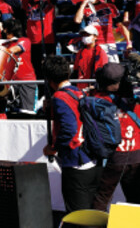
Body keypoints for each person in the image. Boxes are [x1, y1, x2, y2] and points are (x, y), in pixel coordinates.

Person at [43, 56, 102, 212]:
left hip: (76, 162)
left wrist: (54, 147)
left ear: (49, 80)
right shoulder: (78, 91)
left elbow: (69, 128)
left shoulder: (59, 97)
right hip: (91, 158)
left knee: (78, 215)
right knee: (90, 212)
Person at [92, 63, 140, 210]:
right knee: (135, 201)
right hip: (136, 155)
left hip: (114, 158)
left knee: (101, 199)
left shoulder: (96, 99)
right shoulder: (134, 101)